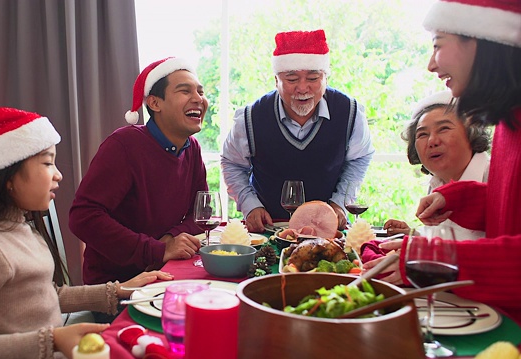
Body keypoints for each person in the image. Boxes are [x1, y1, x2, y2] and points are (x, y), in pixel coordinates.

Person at [0, 107, 172, 359]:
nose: (58, 174)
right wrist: (52, 341)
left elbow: (47, 296)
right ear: (7, 175)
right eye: (47, 163)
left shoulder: (22, 230)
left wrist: (119, 290)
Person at [381, 0, 521, 324]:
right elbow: (510, 206)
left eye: (437, 45)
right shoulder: (507, 123)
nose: (431, 64)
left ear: (481, 39)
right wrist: (459, 197)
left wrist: (429, 258)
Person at [70, 57, 207, 288]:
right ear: (154, 103)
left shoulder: (192, 148)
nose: (198, 99)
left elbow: (202, 211)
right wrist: (156, 250)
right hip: (117, 288)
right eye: (185, 91)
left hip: (164, 275)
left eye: (200, 92)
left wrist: (170, 239)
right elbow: (83, 217)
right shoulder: (124, 145)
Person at [221, 29, 374, 232]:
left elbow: (359, 159)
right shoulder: (251, 116)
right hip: (270, 227)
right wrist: (250, 206)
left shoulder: (350, 112)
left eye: (312, 78)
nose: (302, 88)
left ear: (325, 78)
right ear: (276, 81)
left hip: (328, 230)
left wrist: (340, 203)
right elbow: (232, 163)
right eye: (292, 80)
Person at [383, 90, 490, 240]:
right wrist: (413, 234)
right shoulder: (436, 182)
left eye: (444, 129)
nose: (432, 141)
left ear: (471, 132)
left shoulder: (495, 177)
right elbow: (445, 243)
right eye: (422, 134)